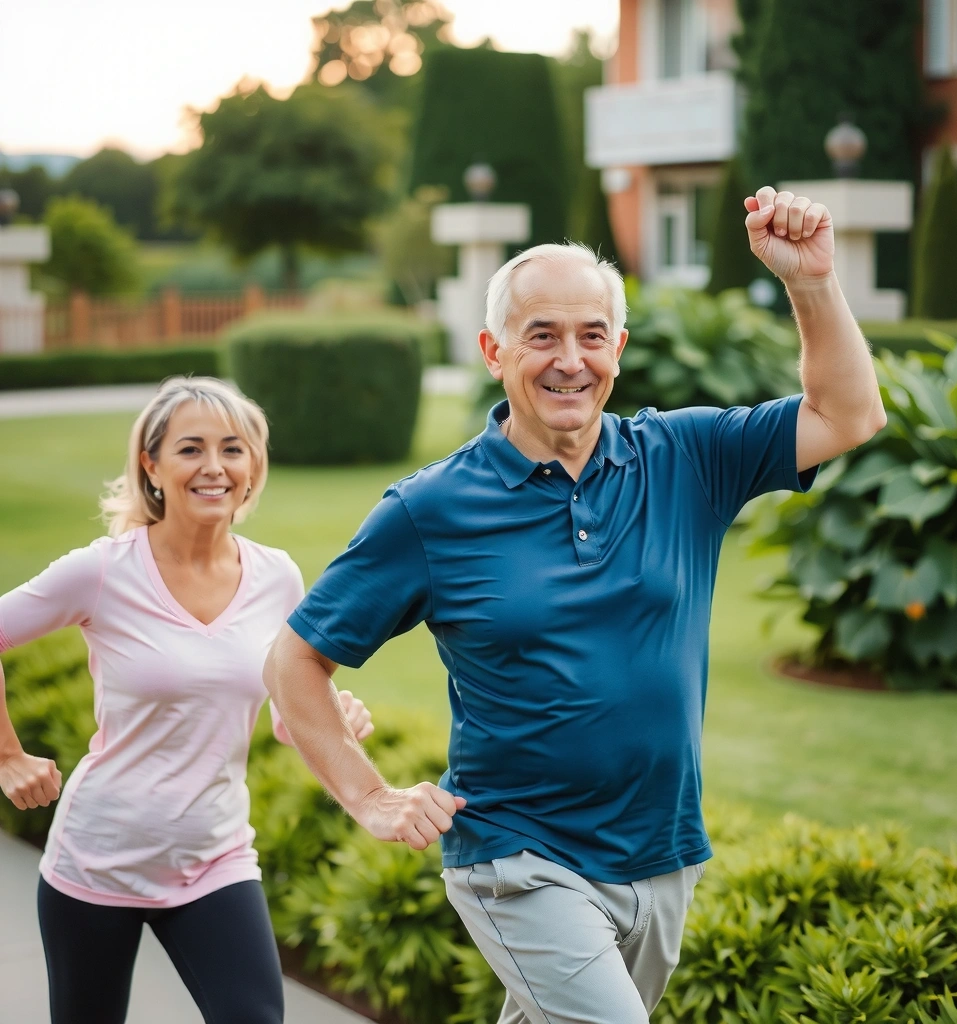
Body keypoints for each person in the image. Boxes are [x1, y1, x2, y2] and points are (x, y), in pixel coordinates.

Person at [263, 186, 887, 1023]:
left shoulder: (683, 458)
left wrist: (811, 283)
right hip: (519, 859)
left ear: (618, 349)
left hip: (663, 853)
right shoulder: (431, 510)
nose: (571, 359)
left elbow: (848, 414)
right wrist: (369, 796)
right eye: (542, 335)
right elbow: (295, 659)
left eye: (592, 335)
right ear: (493, 350)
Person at [0, 377, 374, 1024]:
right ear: (152, 464)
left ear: (253, 464)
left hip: (215, 856)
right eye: (190, 449)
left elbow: (289, 711)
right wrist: (7, 756)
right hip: (98, 860)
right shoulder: (104, 571)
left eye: (232, 449)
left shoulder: (276, 576)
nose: (214, 467)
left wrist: (332, 717)